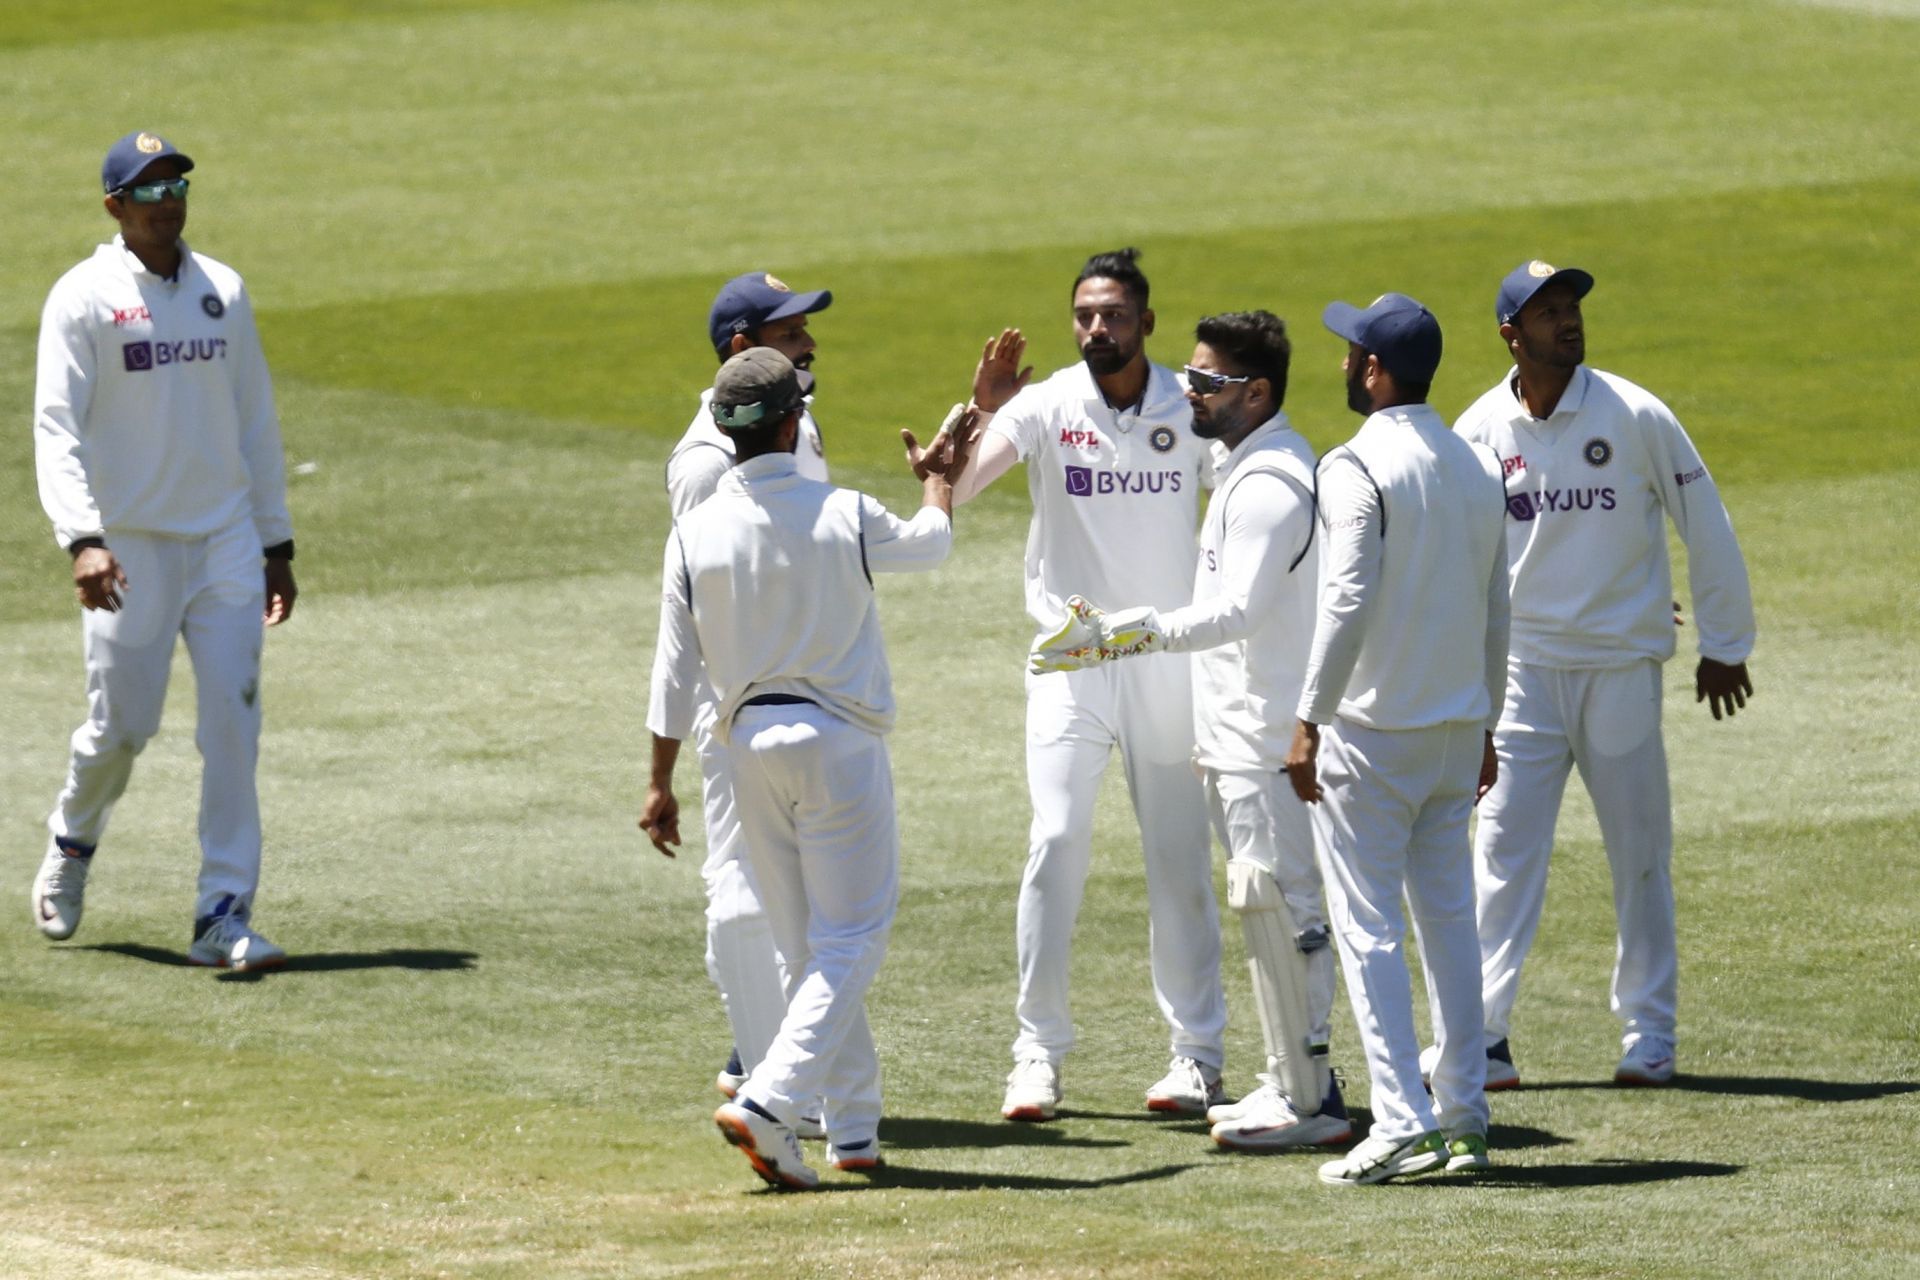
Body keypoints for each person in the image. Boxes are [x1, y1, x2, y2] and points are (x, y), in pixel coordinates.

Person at [641, 347, 972, 1189]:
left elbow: (672, 672)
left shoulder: (693, 530)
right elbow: (931, 545)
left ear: (724, 426)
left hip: (745, 748)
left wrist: (659, 781)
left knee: (803, 950)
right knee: (851, 938)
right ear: (795, 422)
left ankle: (852, 1130)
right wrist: (936, 481)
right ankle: (771, 1100)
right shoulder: (847, 511)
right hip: (838, 744)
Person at [1030, 311, 1350, 1149]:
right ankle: (1294, 1078)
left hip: (1264, 737)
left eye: (1205, 383)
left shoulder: (1272, 483)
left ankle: (1308, 1097)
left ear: (1257, 393)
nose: (1187, 392)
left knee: (1287, 911)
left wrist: (1115, 634)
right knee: (1269, 906)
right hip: (1242, 735)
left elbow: (1235, 612)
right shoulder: (1245, 461)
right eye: (1189, 376)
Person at [1438, 261, 1756, 1088]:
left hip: (1618, 666)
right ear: (1512, 334)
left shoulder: (1635, 412)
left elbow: (1706, 523)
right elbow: (1455, 563)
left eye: (1572, 308)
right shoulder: (1477, 430)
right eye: (1547, 313)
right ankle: (1483, 1037)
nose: (1568, 323)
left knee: (1639, 854)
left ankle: (1650, 1034)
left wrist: (1726, 642)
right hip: (1520, 677)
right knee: (1501, 856)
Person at [952, 249, 1227, 1121]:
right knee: (1057, 840)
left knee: (1177, 858)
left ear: (1147, 322)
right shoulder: (1043, 404)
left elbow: (1261, 487)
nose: (1096, 329)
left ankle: (1197, 1056)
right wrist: (979, 408)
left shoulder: (1193, 402)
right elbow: (950, 485)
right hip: (1070, 651)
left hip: (1167, 652)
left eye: (1112, 315)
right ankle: (1036, 1055)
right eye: (1084, 316)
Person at [30, 130, 297, 972]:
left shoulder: (225, 287)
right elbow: (55, 430)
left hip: (222, 541)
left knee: (233, 726)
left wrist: (273, 541)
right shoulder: (82, 298)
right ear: (114, 207)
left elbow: (253, 418)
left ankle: (223, 912)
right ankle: (73, 842)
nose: (166, 201)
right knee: (123, 729)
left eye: (176, 183)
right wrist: (84, 539)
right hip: (131, 547)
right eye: (147, 191)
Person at [1283, 293, 1509, 1186]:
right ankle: (1465, 1120)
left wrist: (1307, 718)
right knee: (1450, 925)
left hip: (1376, 736)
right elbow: (1499, 605)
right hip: (1457, 731)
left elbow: (1344, 599)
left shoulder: (1352, 466)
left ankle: (1403, 1123)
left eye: (1351, 353)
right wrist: (1487, 718)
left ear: (1375, 370)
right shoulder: (1476, 460)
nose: (1342, 364)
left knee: (1369, 927)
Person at [664, 272, 833, 1111]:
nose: (809, 343)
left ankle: (757, 1057)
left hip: (806, 691)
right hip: (738, 704)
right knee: (741, 885)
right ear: (743, 345)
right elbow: (693, 612)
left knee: (796, 883)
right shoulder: (704, 464)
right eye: (792, 330)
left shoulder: (790, 418)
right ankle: (762, 1069)